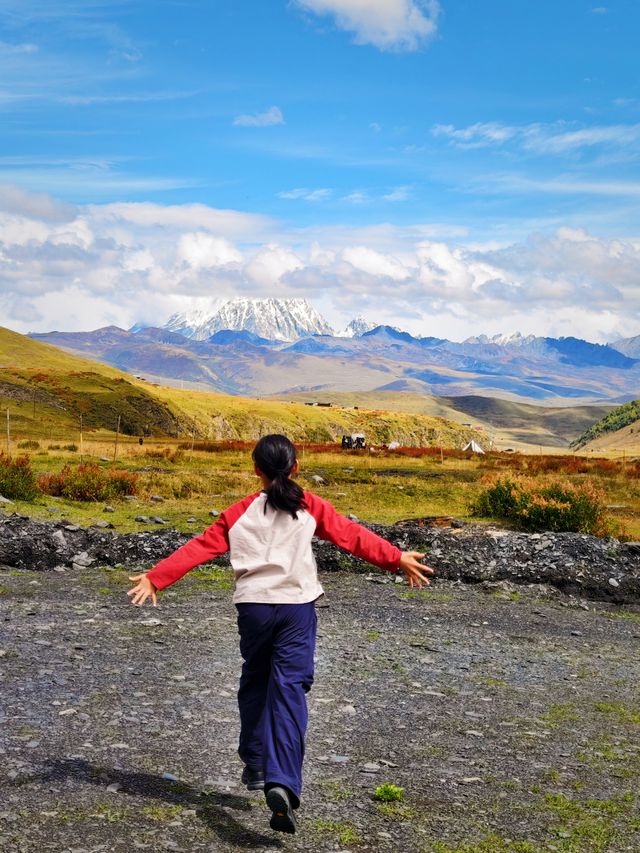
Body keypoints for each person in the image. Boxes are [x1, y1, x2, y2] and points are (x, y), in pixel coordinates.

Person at [127, 434, 433, 834]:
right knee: (289, 689)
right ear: (296, 466)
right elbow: (350, 535)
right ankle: (281, 782)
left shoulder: (238, 513)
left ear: (256, 469)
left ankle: (255, 762)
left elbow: (199, 547)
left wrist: (156, 578)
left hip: (253, 609)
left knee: (255, 680)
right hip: (296, 610)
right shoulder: (309, 507)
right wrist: (396, 558)